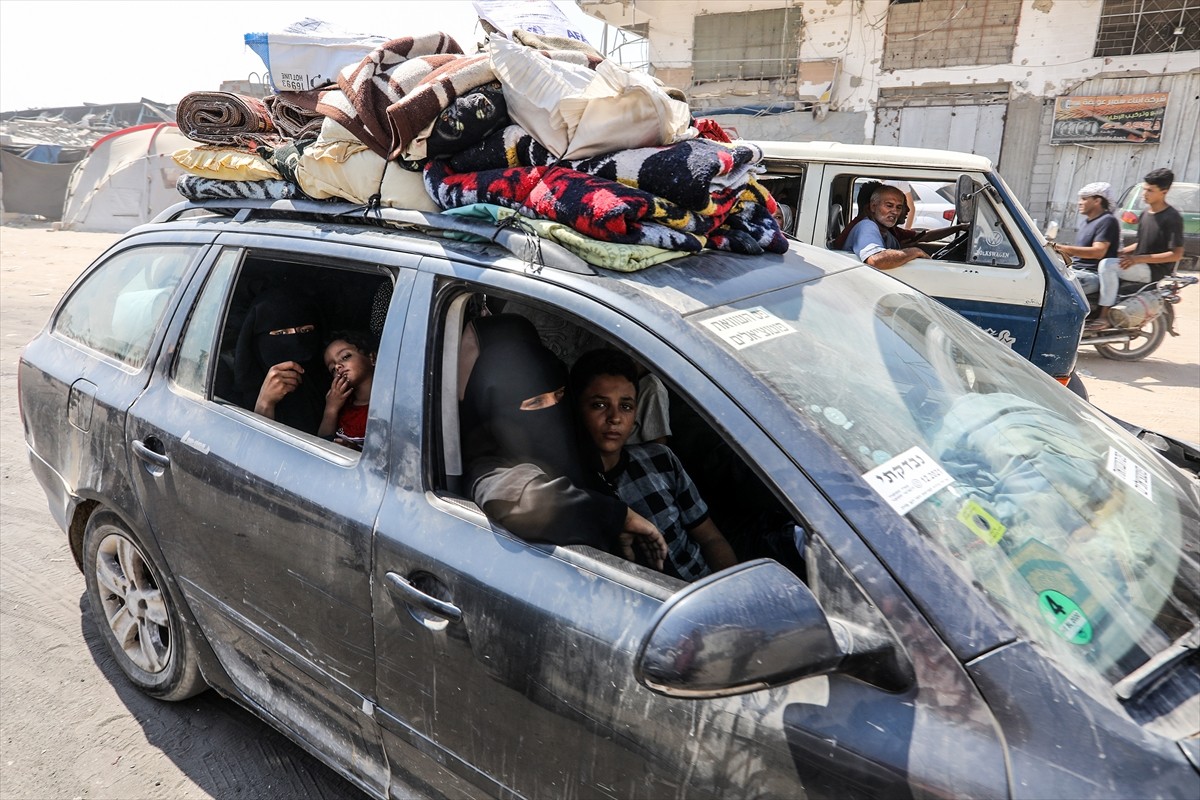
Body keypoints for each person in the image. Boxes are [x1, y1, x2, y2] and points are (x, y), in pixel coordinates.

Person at [460, 314, 668, 569]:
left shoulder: (580, 446)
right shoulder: (487, 465)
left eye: (558, 396)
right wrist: (618, 517)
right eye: (536, 403)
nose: (553, 411)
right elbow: (524, 500)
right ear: (496, 409)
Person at [570, 348, 738, 581]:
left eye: (626, 406)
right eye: (599, 405)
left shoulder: (660, 460)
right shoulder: (570, 489)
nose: (615, 418)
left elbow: (710, 538)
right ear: (577, 408)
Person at [233, 288, 329, 433]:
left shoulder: (335, 381)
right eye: (281, 333)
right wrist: (265, 402)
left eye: (305, 331)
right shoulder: (229, 396)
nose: (295, 341)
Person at [1108, 168, 1186, 325]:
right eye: (1144, 189)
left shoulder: (1172, 217)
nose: (1145, 194)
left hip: (1153, 270)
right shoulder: (1145, 213)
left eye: (1150, 190)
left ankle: (1104, 314)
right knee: (1103, 261)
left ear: (1164, 191)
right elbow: (1143, 243)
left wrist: (1137, 259)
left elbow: (1176, 254)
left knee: (1106, 267)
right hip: (1140, 265)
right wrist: (1120, 252)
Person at [1052, 182, 1122, 331]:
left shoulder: (1107, 221)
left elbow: (1099, 252)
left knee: (1053, 287)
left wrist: (1063, 248)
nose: (1079, 202)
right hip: (1078, 269)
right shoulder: (1086, 223)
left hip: (1091, 274)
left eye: (1084, 198)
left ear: (1097, 200)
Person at [319, 331, 377, 449]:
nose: (337, 366)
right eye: (332, 369)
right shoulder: (341, 404)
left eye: (345, 357)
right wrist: (331, 408)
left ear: (372, 358)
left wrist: (355, 452)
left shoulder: (389, 403)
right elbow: (323, 445)